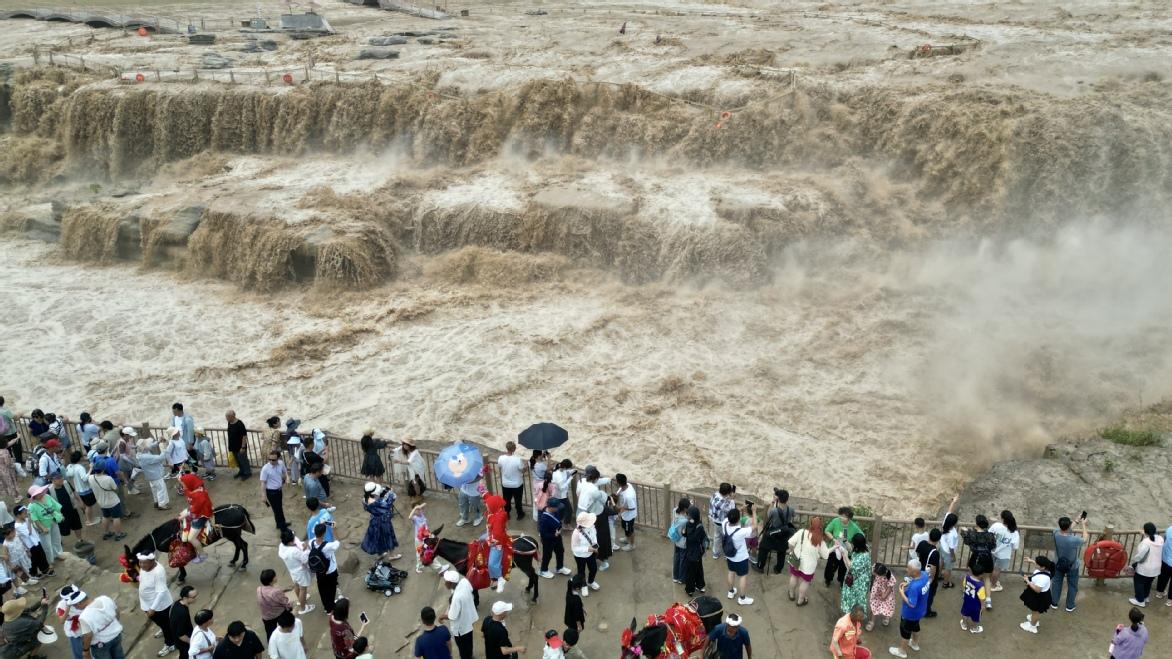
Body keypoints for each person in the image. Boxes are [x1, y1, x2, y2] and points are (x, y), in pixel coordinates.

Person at [137, 551, 179, 656]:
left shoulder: (158, 572)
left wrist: (152, 608)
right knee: (160, 623)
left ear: (152, 561)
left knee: (166, 626)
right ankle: (163, 629)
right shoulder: (144, 568)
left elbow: (161, 592)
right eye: (140, 562)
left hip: (160, 606)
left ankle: (170, 644)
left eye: (144, 563)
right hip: (147, 603)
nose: (141, 565)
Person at [887, 559, 929, 658]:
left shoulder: (914, 587)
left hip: (910, 614)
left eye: (908, 569)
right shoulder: (924, 575)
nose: (906, 569)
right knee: (915, 626)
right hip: (921, 610)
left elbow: (911, 604)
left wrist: (902, 593)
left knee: (905, 631)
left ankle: (902, 651)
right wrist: (908, 584)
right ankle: (914, 644)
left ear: (914, 572)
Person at [788, 516, 830, 606]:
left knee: (794, 577)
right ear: (820, 527)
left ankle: (791, 595)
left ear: (810, 524)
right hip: (809, 566)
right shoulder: (820, 540)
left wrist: (792, 551)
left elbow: (790, 543)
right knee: (805, 582)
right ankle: (800, 600)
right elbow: (825, 555)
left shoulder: (802, 532)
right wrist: (833, 548)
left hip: (796, 561)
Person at [1051, 515, 1089, 612]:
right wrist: (1083, 525)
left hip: (1058, 563)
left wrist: (1076, 521)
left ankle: (1054, 602)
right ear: (1068, 527)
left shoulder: (1055, 533)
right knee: (1072, 585)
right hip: (1072, 566)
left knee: (1056, 583)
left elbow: (1066, 529)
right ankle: (1069, 605)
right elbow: (1085, 539)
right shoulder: (1074, 539)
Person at [753, 488, 795, 574]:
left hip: (773, 534)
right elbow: (793, 515)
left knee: (763, 547)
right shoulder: (791, 509)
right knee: (782, 552)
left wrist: (773, 502)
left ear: (778, 499)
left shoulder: (774, 510)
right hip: (784, 534)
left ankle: (760, 567)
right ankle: (778, 569)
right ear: (787, 499)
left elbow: (768, 515)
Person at [77, 588, 127, 659]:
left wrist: (86, 650)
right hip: (116, 635)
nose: (76, 608)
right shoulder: (105, 598)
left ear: (79, 603)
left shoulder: (84, 616)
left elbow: (88, 636)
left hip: (101, 644)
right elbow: (117, 613)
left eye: (75, 606)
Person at [961, 515, 997, 610]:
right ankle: (988, 600)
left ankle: (968, 594)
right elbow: (993, 546)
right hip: (988, 558)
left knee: (971, 576)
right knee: (986, 578)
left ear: (976, 524)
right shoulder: (990, 535)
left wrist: (964, 531)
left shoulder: (972, 534)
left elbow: (966, 541)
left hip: (976, 557)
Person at [722, 507, 756, 606]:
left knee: (731, 572)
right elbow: (754, 526)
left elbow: (729, 517)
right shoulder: (741, 532)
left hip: (729, 556)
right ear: (738, 520)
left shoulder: (724, 524)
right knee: (742, 577)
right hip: (741, 558)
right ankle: (742, 598)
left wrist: (739, 510)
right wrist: (753, 511)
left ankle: (731, 592)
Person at [439, 570, 476, 659]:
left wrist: (441, 617)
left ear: (451, 583)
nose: (444, 584)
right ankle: (470, 656)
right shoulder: (464, 582)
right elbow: (471, 589)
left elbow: (452, 616)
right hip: (468, 620)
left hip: (460, 628)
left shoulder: (456, 598)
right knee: (469, 643)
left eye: (446, 582)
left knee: (463, 648)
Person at [0, 594, 51, 659]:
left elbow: (30, 609)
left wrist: (40, 602)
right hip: (11, 651)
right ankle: (32, 657)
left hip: (12, 643)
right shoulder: (21, 622)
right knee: (39, 639)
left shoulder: (10, 616)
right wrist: (45, 607)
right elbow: (39, 623)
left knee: (34, 633)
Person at [277, 529, 315, 616]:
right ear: (290, 542)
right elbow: (305, 559)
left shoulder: (281, 546)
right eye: (293, 539)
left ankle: (299, 600)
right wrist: (306, 549)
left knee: (297, 585)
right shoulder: (294, 551)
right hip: (300, 571)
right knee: (303, 589)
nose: (295, 540)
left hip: (292, 569)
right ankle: (303, 608)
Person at [179, 468, 214, 561]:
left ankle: (202, 554)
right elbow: (188, 492)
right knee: (182, 514)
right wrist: (180, 479)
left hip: (202, 514)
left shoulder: (199, 494)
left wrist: (185, 515)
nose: (183, 487)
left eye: (184, 485)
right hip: (197, 508)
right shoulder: (195, 488)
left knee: (191, 538)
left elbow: (195, 510)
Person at [824, 507, 864, 588]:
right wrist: (833, 539)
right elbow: (827, 530)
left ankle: (842, 581)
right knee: (830, 566)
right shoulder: (835, 521)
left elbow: (862, 536)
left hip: (846, 551)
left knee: (843, 568)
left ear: (849, 518)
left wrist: (852, 543)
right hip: (834, 549)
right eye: (841, 515)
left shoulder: (853, 526)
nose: (841, 518)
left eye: (844, 516)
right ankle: (828, 579)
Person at [361, 483, 401, 560]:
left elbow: (379, 499)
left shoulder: (365, 500)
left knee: (378, 537)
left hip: (374, 521)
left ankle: (380, 554)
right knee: (388, 536)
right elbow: (387, 504)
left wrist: (384, 493)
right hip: (383, 521)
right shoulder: (377, 502)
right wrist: (391, 492)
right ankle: (392, 555)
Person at [309, 522, 342, 615]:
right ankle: (331, 608)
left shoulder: (311, 542)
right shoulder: (328, 546)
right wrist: (334, 530)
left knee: (322, 589)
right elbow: (338, 542)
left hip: (319, 571)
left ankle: (326, 607)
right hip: (330, 571)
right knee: (331, 589)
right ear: (324, 534)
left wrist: (320, 525)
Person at [28, 482, 65, 564]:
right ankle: (50, 561)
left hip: (53, 521)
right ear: (34, 496)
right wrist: (43, 528)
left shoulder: (47, 496)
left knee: (57, 539)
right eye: (38, 493)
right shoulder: (32, 506)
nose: (40, 494)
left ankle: (58, 554)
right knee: (47, 545)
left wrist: (60, 515)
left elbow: (56, 506)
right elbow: (35, 519)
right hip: (43, 527)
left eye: (40, 492)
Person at [1130, 522, 1164, 607]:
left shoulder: (1145, 543)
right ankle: (1145, 597)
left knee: (1139, 582)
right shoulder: (1160, 539)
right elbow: (1152, 539)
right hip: (1156, 567)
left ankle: (1140, 600)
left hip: (1145, 568)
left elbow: (1140, 555)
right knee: (1148, 583)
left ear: (1145, 531)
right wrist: (1145, 535)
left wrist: (1134, 561)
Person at [13, 504, 52, 578]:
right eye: (24, 513)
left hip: (36, 541)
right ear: (18, 515)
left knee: (42, 556)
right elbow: (28, 533)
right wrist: (30, 522)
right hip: (29, 546)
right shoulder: (17, 526)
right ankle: (34, 574)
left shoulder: (26, 520)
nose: (26, 514)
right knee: (33, 560)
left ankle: (45, 570)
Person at [1019, 555, 1054, 633]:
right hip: (1040, 595)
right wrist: (1031, 560)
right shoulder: (1047, 569)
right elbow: (1040, 564)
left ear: (1043, 567)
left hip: (1039, 596)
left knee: (1036, 611)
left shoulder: (1043, 578)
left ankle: (1032, 626)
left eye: (1037, 564)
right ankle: (1033, 620)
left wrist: (1027, 581)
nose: (1036, 565)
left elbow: (1037, 590)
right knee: (1034, 610)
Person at [257, 569, 294, 642]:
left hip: (266, 616)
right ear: (272, 579)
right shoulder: (276, 592)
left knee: (270, 633)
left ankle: (271, 644)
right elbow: (285, 602)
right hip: (277, 614)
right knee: (286, 626)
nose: (276, 577)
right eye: (275, 576)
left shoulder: (259, 589)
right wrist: (290, 605)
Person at [989, 510, 1020, 594]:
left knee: (992, 568)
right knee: (997, 570)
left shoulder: (996, 525)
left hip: (992, 550)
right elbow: (1015, 547)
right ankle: (993, 585)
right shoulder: (1014, 532)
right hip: (1004, 554)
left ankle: (990, 582)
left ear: (1002, 518)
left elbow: (989, 535)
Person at [571, 511, 601, 596]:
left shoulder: (592, 527)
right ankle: (583, 585)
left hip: (591, 553)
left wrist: (595, 546)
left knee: (594, 569)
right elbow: (575, 548)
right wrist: (588, 549)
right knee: (581, 572)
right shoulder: (576, 534)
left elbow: (594, 536)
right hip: (580, 556)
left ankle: (590, 581)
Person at [51, 471, 86, 545]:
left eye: (61, 477)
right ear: (53, 480)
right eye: (58, 478)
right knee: (62, 529)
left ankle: (80, 539)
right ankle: (59, 542)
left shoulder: (66, 483)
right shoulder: (49, 490)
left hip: (72, 509)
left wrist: (80, 501)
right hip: (60, 513)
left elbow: (74, 492)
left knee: (77, 525)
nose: (61, 479)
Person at [539, 501, 571, 578]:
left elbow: (559, 520)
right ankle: (543, 570)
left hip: (557, 537)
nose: (558, 508)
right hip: (548, 540)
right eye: (557, 507)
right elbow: (543, 534)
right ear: (551, 507)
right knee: (547, 555)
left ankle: (559, 567)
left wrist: (559, 529)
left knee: (560, 551)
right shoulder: (544, 519)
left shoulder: (555, 511)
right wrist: (554, 535)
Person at [841, 533, 872, 616]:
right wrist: (845, 541)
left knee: (855, 599)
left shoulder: (863, 556)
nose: (852, 544)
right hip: (858, 579)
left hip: (858, 582)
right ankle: (853, 614)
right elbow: (851, 549)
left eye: (853, 543)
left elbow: (851, 566)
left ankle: (854, 616)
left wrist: (845, 555)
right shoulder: (865, 548)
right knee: (855, 598)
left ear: (857, 544)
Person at [913, 529, 941, 617]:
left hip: (919, 570)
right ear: (938, 540)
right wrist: (931, 580)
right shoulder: (935, 553)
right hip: (927, 576)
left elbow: (918, 553)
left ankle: (916, 603)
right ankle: (926, 611)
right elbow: (933, 568)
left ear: (929, 535)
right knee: (929, 594)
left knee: (919, 589)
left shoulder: (922, 543)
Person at [138, 440, 171, 511]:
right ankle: (162, 504)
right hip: (156, 475)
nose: (148, 446)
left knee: (154, 489)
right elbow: (160, 458)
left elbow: (149, 447)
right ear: (144, 447)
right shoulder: (146, 457)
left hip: (150, 475)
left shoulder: (140, 454)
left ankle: (156, 502)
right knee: (161, 489)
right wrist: (164, 448)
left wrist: (158, 441)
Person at [497, 441, 527, 520]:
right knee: (518, 500)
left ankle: (507, 514)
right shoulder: (518, 459)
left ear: (507, 448)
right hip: (517, 484)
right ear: (514, 449)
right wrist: (526, 467)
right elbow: (522, 470)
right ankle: (519, 514)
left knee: (506, 500)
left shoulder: (501, 458)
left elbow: (499, 467)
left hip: (506, 484)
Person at [260, 451, 289, 532]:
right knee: (277, 510)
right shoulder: (265, 468)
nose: (271, 461)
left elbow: (285, 471)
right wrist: (263, 495)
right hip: (271, 492)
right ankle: (283, 528)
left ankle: (280, 524)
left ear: (278, 458)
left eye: (273, 460)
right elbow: (263, 482)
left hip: (279, 490)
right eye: (270, 459)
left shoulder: (281, 463)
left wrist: (287, 477)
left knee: (279, 508)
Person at [682, 505, 707, 596]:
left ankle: (690, 589)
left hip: (691, 553)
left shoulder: (689, 525)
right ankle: (701, 586)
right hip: (698, 553)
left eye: (689, 515)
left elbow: (690, 537)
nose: (687, 516)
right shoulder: (699, 525)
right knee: (699, 569)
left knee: (690, 572)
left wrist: (684, 532)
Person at [708, 483, 736, 559]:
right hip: (722, 523)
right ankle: (726, 554)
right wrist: (732, 499)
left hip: (714, 520)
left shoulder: (715, 494)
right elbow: (732, 510)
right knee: (726, 538)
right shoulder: (724, 503)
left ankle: (715, 553)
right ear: (728, 493)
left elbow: (722, 501)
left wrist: (728, 498)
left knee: (717, 537)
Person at [112, 427, 142, 495]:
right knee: (127, 477)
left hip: (128, 460)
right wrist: (133, 462)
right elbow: (122, 456)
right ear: (125, 434)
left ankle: (132, 486)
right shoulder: (121, 442)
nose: (131, 436)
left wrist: (136, 446)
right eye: (130, 435)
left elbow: (129, 446)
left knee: (131, 474)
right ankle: (130, 490)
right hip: (123, 462)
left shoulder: (127, 440)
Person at [867, 563, 896, 631]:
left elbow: (890, 588)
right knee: (874, 605)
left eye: (875, 573)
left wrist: (885, 595)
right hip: (877, 591)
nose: (873, 572)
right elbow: (872, 570)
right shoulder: (875, 567)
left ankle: (887, 617)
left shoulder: (889, 576)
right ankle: (872, 622)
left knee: (887, 606)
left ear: (881, 575)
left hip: (886, 593)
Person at [171, 585, 197, 659]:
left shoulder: (178, 602)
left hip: (179, 637)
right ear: (185, 598)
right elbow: (181, 635)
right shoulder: (182, 613)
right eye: (193, 597)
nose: (196, 599)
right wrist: (192, 642)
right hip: (183, 642)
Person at [668, 497, 690, 583]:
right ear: (685, 508)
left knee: (676, 558)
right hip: (682, 542)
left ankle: (675, 577)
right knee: (682, 560)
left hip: (676, 539)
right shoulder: (684, 520)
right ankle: (681, 578)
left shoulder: (674, 511)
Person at [960, 564, 986, 634]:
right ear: (981, 575)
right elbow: (982, 598)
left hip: (967, 601)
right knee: (975, 617)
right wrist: (983, 606)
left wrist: (963, 594)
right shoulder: (980, 586)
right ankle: (974, 628)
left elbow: (964, 586)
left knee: (965, 613)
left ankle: (964, 624)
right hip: (976, 606)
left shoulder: (967, 577)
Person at [614, 474, 637, 551]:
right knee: (626, 529)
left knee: (630, 531)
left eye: (616, 480)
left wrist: (621, 508)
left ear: (618, 482)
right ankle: (627, 539)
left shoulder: (628, 496)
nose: (615, 481)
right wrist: (615, 495)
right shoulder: (627, 485)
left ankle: (632, 545)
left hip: (629, 516)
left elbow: (632, 507)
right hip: (625, 515)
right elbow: (619, 491)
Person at [226, 411, 251, 480]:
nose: (226, 418)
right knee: (238, 461)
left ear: (232, 416)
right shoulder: (229, 423)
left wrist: (243, 447)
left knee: (243, 460)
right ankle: (241, 471)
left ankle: (247, 473)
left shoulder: (240, 424)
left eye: (227, 417)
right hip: (233, 447)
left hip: (240, 447)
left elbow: (244, 436)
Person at [0, 397, 20, 466]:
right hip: (11, 432)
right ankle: (18, 462)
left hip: (1, 434)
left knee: (6, 448)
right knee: (16, 447)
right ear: (3, 402)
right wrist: (20, 413)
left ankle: (9, 461)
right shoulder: (5, 411)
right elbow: (16, 418)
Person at [1155, 522, 1172, 604]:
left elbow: (1165, 540)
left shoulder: (1169, 529)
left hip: (1166, 559)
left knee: (1163, 577)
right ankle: (1169, 600)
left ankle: (1159, 593)